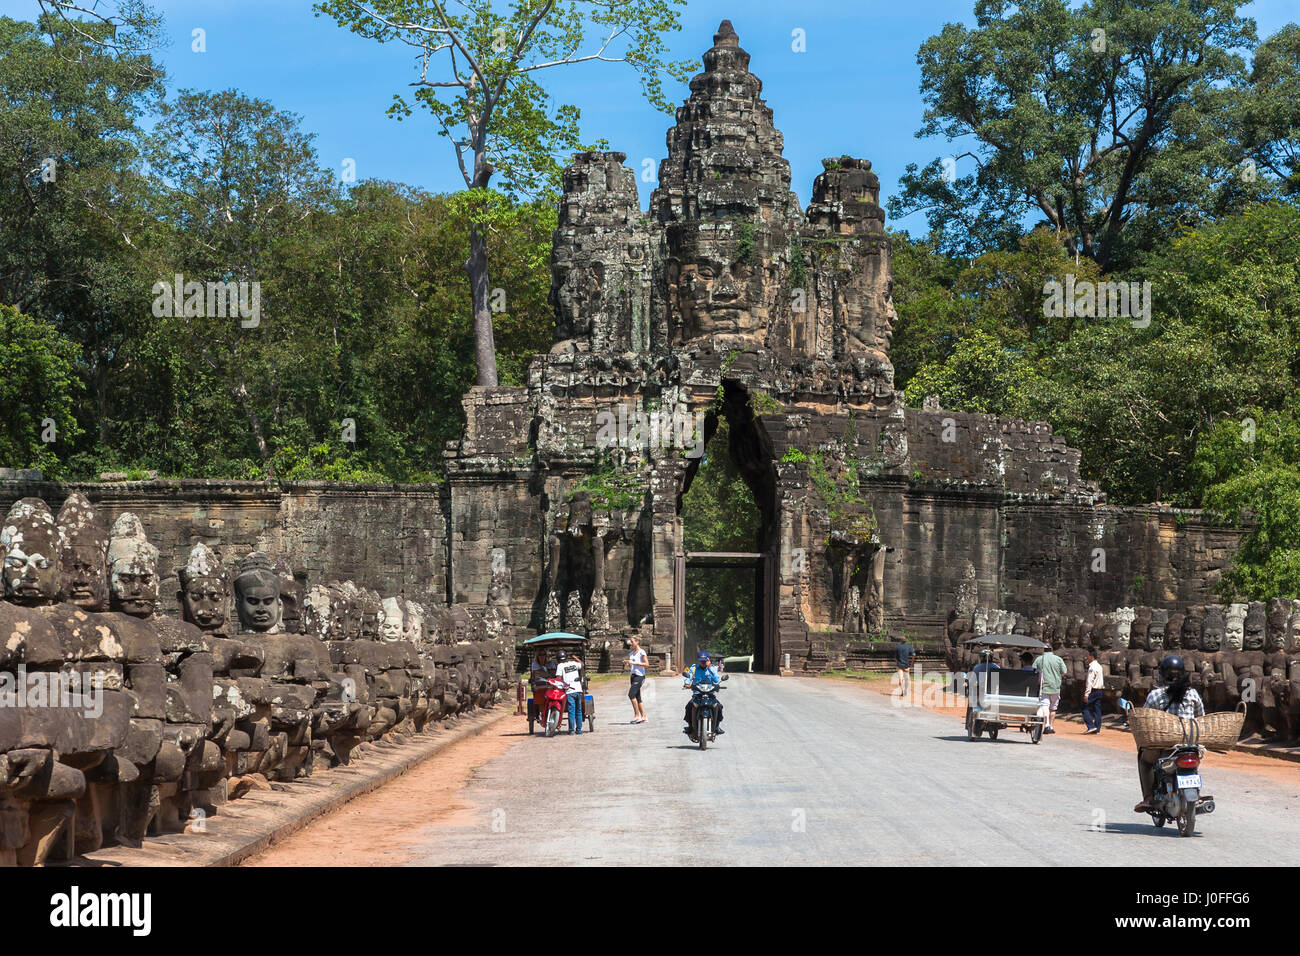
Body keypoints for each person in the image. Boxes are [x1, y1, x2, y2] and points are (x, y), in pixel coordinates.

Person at [1134, 655, 1206, 813]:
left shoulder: (1155, 695)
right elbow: (1201, 717)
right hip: (1189, 745)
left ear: (1162, 674)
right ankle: (1196, 794)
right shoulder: (1193, 694)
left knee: (1144, 761)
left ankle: (1148, 798)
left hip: (1164, 745)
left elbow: (1144, 719)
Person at [682, 651, 724, 739]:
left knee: (719, 706)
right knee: (689, 706)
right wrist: (687, 684)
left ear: (708, 660)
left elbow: (716, 680)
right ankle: (690, 726)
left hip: (710, 694)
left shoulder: (712, 668)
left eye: (705, 661)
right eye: (701, 661)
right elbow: (688, 677)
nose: (703, 662)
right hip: (698, 694)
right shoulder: (694, 668)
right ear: (698, 660)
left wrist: (709, 668)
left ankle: (716, 727)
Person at [1034, 643, 1067, 734]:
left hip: (1044, 687)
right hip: (1055, 687)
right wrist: (1056, 676)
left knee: (1045, 706)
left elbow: (1034, 671)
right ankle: (1051, 726)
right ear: (1052, 649)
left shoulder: (1039, 659)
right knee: (1053, 708)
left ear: (1043, 650)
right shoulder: (1058, 659)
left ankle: (1047, 725)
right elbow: (1064, 671)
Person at [555, 650, 585, 735]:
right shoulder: (573, 663)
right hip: (578, 689)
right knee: (578, 711)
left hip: (569, 691)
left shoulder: (560, 666)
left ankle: (571, 730)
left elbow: (558, 678)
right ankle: (579, 730)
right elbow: (582, 665)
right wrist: (576, 658)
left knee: (571, 711)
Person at [623, 635, 649, 724]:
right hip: (633, 676)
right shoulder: (631, 653)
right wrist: (627, 663)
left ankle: (637, 715)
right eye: (630, 641)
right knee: (637, 697)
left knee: (631, 694)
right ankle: (644, 717)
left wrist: (634, 662)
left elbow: (646, 664)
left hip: (640, 676)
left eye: (632, 641)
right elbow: (631, 665)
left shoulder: (642, 652)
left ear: (637, 642)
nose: (631, 643)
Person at [1082, 647, 1104, 734]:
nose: (1087, 658)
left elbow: (1089, 681)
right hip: (1099, 690)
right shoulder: (1099, 666)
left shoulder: (1092, 668)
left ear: (1091, 656)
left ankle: (1091, 726)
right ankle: (1097, 728)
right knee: (1097, 709)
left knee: (1084, 707)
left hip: (1093, 690)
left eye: (1088, 656)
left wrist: (1086, 694)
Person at [894, 634, 915, 699]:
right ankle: (905, 691)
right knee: (907, 680)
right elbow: (913, 655)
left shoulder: (897, 647)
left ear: (900, 641)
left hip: (900, 665)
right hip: (906, 665)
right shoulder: (909, 647)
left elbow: (896, 658)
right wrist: (911, 663)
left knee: (900, 679)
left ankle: (902, 691)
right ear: (905, 641)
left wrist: (897, 663)